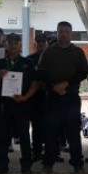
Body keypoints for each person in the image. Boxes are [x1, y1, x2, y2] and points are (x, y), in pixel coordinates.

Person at [37, 21, 88, 174]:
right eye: (61, 31)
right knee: (51, 133)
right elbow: (41, 72)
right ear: (57, 33)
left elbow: (83, 73)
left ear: (71, 34)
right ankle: (48, 164)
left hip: (71, 97)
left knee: (73, 133)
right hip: (52, 97)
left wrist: (66, 84)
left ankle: (78, 165)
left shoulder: (78, 52)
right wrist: (53, 86)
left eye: (67, 31)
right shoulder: (48, 52)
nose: (64, 34)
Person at [0, 34, 40, 174]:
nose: (12, 46)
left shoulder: (27, 63)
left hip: (21, 104)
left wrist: (25, 97)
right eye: (10, 43)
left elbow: (35, 84)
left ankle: (26, 166)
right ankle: (2, 165)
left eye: (15, 43)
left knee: (24, 136)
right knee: (2, 137)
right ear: (6, 45)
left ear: (19, 45)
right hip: (4, 105)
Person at [28, 32, 48, 163]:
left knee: (50, 126)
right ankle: (36, 152)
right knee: (36, 126)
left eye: (43, 42)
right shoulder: (29, 60)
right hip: (34, 97)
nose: (41, 44)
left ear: (46, 44)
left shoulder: (51, 58)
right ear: (35, 44)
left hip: (49, 96)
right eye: (39, 42)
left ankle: (52, 152)